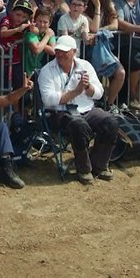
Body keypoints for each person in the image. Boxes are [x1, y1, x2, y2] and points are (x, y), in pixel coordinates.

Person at [36, 35, 118, 185]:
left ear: (74, 51)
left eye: (64, 51)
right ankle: (84, 169)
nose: (60, 54)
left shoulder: (85, 66)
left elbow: (99, 92)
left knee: (110, 122)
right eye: (58, 51)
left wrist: (88, 88)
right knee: (78, 125)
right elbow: (48, 100)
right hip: (60, 113)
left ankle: (99, 165)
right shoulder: (47, 71)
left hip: (87, 109)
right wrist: (76, 91)